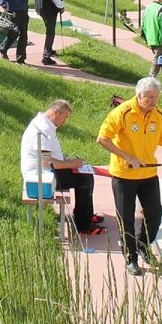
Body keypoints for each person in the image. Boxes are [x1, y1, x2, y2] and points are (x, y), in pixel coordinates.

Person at [97, 77, 162, 276]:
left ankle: (143, 245)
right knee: (125, 218)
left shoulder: (158, 114)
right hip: (124, 174)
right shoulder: (123, 112)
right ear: (139, 95)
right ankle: (131, 258)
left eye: (156, 97)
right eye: (149, 97)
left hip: (148, 173)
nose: (153, 101)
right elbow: (102, 138)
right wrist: (127, 156)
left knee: (155, 213)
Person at [21, 100, 104, 236]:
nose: (64, 121)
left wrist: (67, 161)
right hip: (41, 177)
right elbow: (46, 162)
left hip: (44, 172)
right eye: (64, 117)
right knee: (84, 179)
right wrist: (71, 164)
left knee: (84, 175)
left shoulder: (44, 122)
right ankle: (84, 225)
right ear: (56, 112)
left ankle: (86, 215)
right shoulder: (44, 128)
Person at [34, 0, 65, 66]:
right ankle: (46, 57)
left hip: (41, 9)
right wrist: (61, 7)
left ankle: (49, 49)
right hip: (49, 11)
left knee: (49, 30)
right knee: (50, 32)